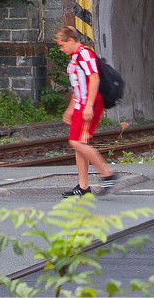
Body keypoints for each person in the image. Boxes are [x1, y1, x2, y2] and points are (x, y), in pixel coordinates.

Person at [54, 26, 117, 197]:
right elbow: (78, 87)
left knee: (77, 143)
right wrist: (70, 109)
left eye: (61, 45)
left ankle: (107, 174)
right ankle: (83, 187)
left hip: (90, 103)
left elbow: (94, 78)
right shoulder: (75, 57)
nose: (61, 49)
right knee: (79, 145)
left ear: (71, 41)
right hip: (80, 103)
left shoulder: (84, 54)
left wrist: (88, 106)